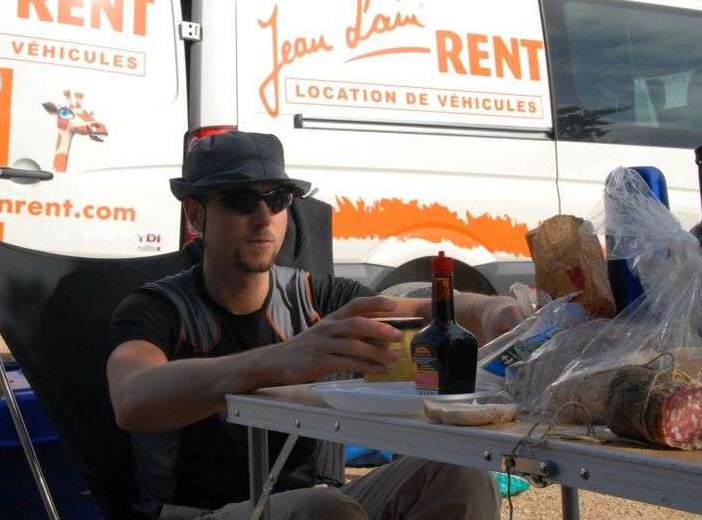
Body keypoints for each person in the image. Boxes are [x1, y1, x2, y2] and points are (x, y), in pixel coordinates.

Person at [107, 131, 526, 519]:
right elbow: (132, 399)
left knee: (461, 471)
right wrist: (282, 360)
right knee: (323, 509)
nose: (263, 216)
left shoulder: (314, 298)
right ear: (196, 215)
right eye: (239, 199)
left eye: (278, 198)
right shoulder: (157, 308)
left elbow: (425, 310)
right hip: (196, 512)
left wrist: (487, 309)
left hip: (319, 500)